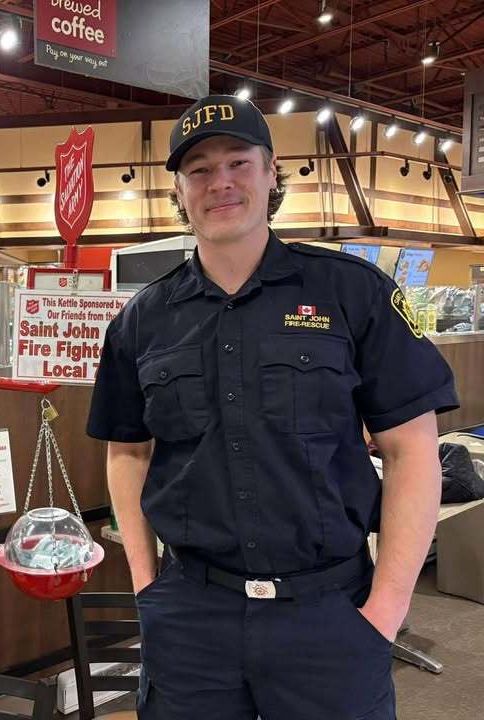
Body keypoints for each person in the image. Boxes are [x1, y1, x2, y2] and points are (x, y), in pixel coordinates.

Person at [87, 95, 458, 719]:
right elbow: (126, 449)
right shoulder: (141, 321)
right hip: (191, 621)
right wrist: (146, 586)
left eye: (238, 162)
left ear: (271, 173)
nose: (220, 182)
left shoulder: (352, 293)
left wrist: (384, 616)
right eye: (199, 170)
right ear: (179, 190)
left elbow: (411, 449)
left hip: (330, 617)